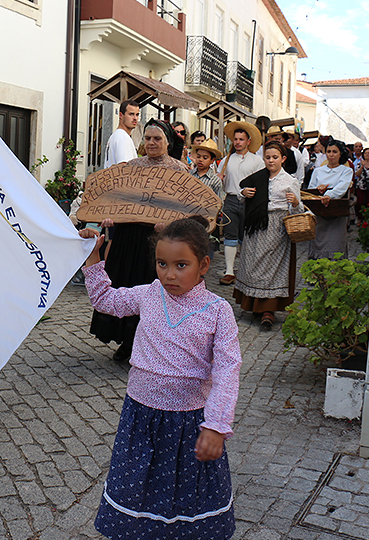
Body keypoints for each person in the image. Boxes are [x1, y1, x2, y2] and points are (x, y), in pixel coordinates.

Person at [79, 217, 241, 540]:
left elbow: (227, 369)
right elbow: (105, 300)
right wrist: (92, 255)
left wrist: (216, 425)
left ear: (203, 265)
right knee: (137, 487)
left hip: (189, 424)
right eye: (162, 264)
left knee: (186, 492)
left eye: (181, 265)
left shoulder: (217, 311)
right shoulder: (149, 294)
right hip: (140, 418)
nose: (169, 274)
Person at [91, 119, 187, 361]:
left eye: (157, 138)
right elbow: (119, 200)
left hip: (159, 241)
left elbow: (184, 208)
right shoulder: (133, 166)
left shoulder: (179, 170)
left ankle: (151, 346)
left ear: (167, 142)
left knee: (153, 290)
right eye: (148, 138)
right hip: (128, 237)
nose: (152, 143)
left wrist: (169, 224)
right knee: (125, 285)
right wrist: (110, 216)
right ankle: (127, 342)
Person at [233, 142, 305, 330]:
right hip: (256, 226)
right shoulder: (258, 177)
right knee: (252, 263)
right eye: (268, 157)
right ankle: (254, 304)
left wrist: (295, 202)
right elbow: (242, 193)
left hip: (277, 228)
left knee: (272, 267)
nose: (271, 161)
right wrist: (243, 192)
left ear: (283, 159)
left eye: (275, 157)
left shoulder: (290, 181)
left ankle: (269, 309)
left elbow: (298, 210)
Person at [216, 121, 264, 285]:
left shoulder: (257, 161)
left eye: (241, 139)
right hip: (230, 199)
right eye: (235, 139)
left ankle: (245, 269)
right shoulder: (226, 160)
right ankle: (229, 271)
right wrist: (219, 179)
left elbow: (262, 183)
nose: (237, 142)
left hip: (249, 202)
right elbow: (219, 182)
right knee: (230, 235)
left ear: (248, 141)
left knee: (247, 236)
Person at [307, 139, 353, 259]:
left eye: (334, 152)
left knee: (336, 244)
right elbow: (311, 189)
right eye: (329, 151)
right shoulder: (317, 171)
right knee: (318, 243)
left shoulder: (346, 171)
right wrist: (318, 190)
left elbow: (342, 187)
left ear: (340, 154)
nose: (331, 154)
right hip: (320, 212)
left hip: (337, 213)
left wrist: (329, 195)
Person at [105, 100, 140, 168]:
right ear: (121, 115)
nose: (135, 118)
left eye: (137, 114)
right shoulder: (123, 138)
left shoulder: (117, 135)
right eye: (131, 114)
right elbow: (124, 168)